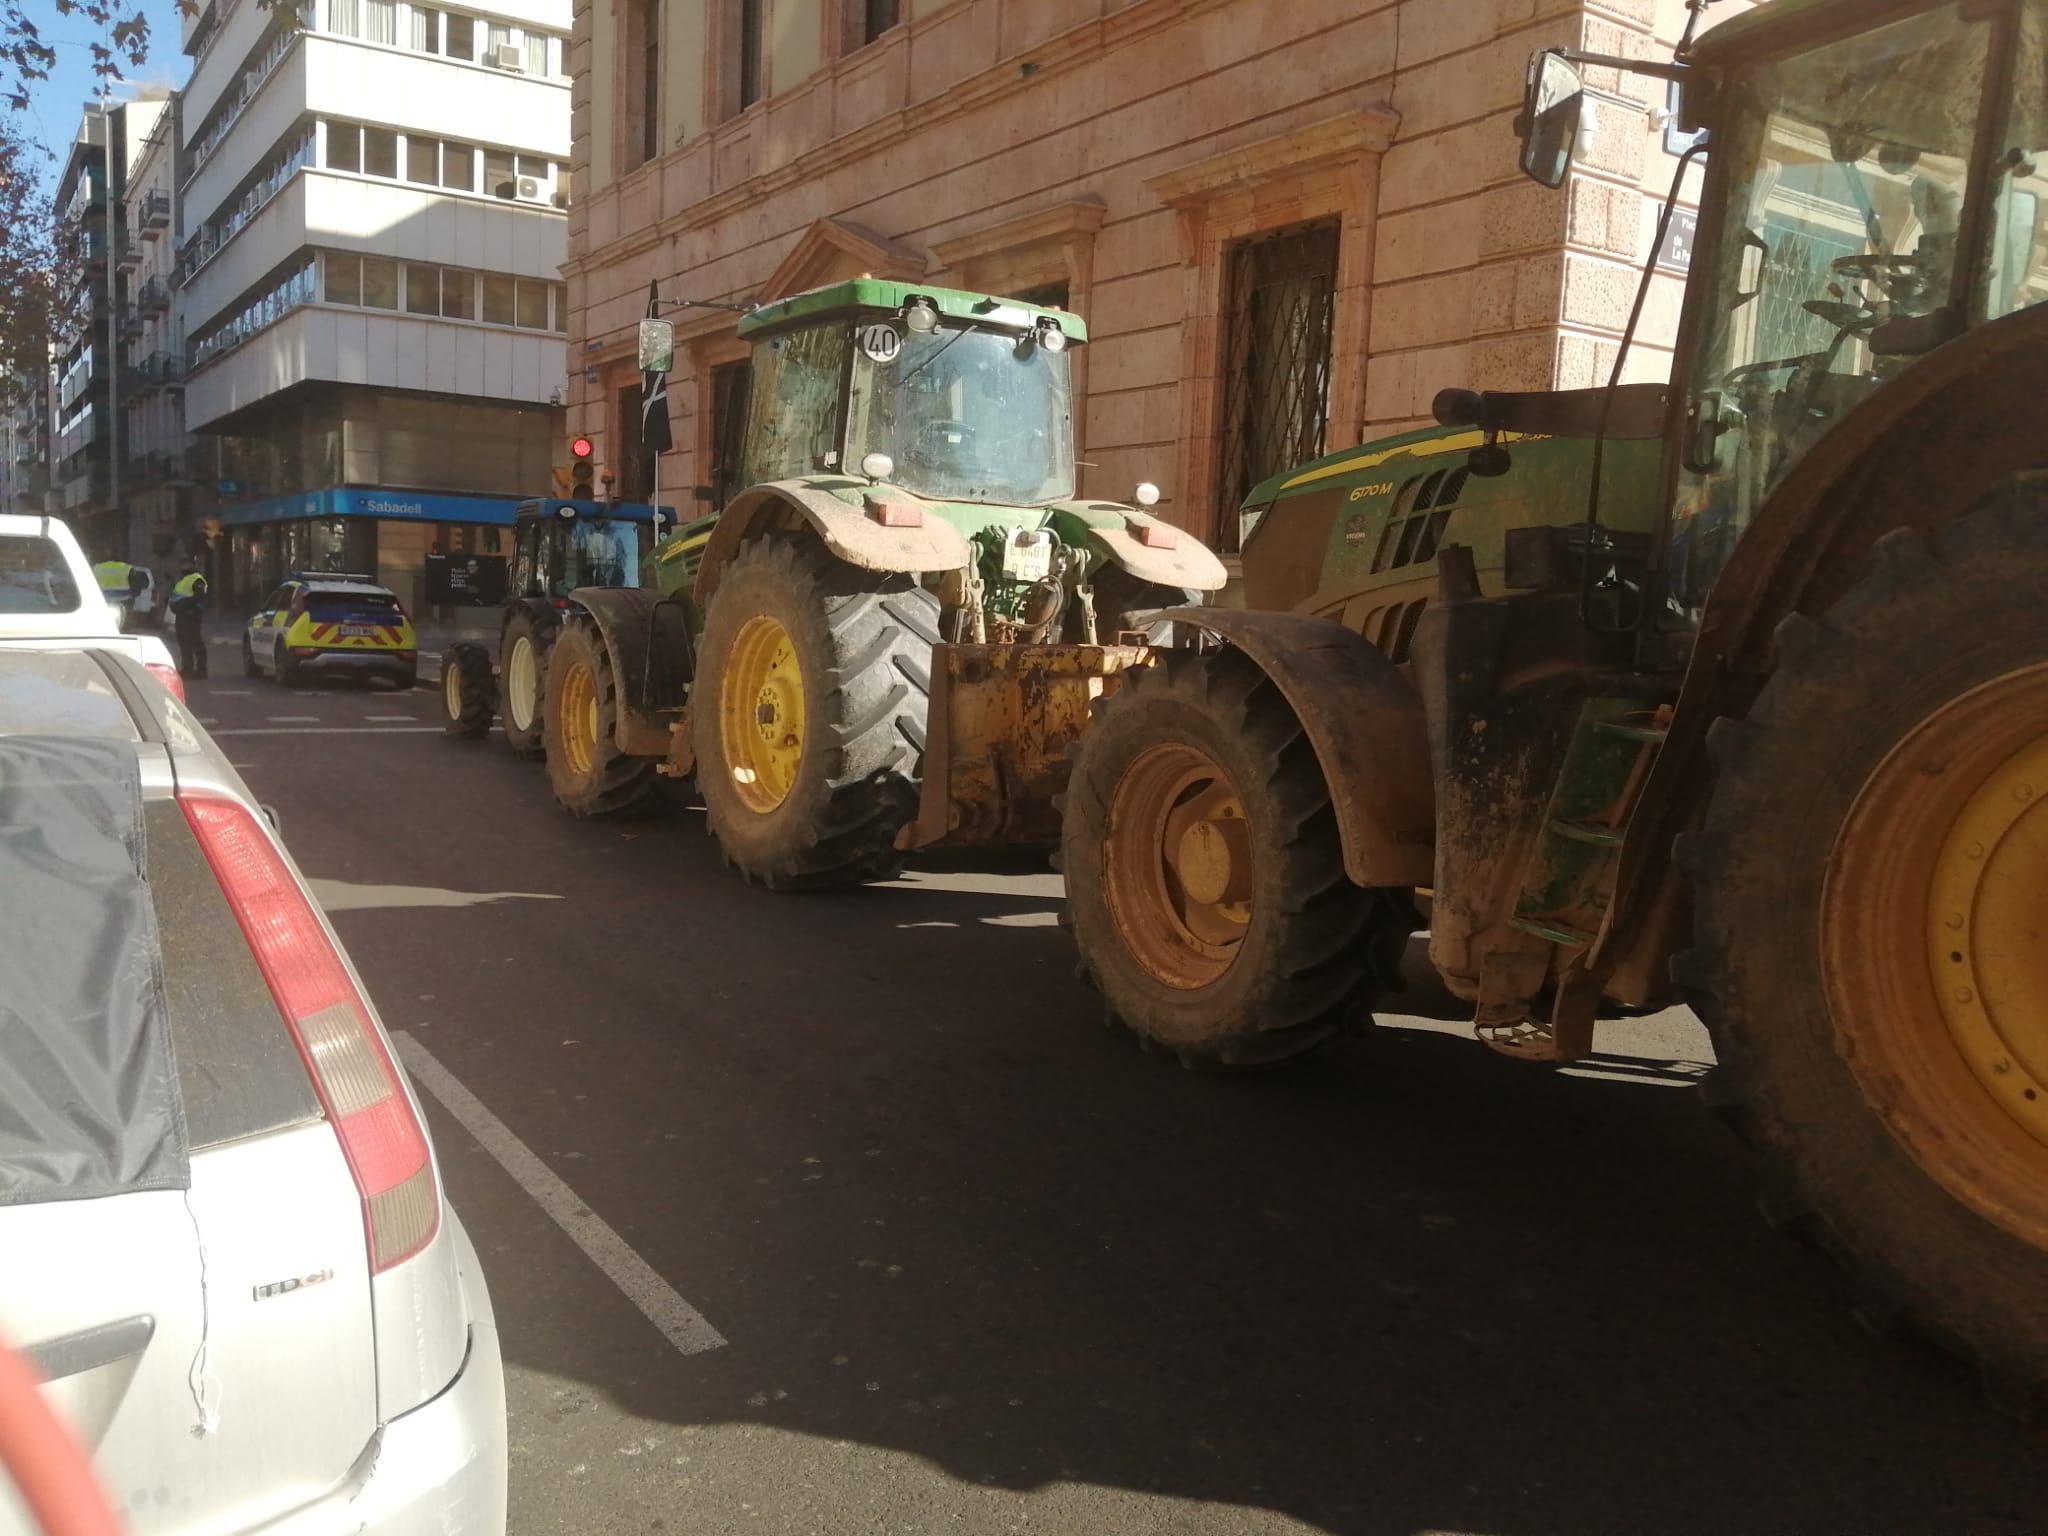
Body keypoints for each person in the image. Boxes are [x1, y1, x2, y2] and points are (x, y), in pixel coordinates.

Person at [170, 567, 209, 680]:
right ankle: (187, 669)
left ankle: (201, 670)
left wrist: (185, 606)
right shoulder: (181, 582)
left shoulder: (197, 579)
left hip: (192, 615)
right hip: (181, 616)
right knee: (184, 643)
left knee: (195, 641)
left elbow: (200, 596)